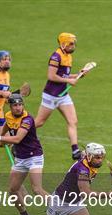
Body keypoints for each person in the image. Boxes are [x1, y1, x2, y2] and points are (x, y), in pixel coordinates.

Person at [0, 94, 49, 215]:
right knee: (13, 190)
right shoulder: (8, 115)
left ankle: (62, 209)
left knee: (37, 190)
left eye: (20, 105)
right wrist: (2, 137)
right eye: (15, 105)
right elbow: (7, 126)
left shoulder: (27, 119)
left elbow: (17, 139)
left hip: (34, 157)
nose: (18, 108)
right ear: (10, 106)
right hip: (20, 158)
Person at [34, 32, 91, 160]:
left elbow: (64, 75)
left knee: (73, 121)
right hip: (51, 95)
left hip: (63, 95)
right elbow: (51, 76)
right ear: (63, 43)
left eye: (74, 43)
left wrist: (78, 75)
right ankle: (18, 135)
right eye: (71, 43)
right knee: (39, 122)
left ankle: (75, 150)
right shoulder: (56, 56)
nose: (73, 46)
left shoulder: (68, 56)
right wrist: (69, 81)